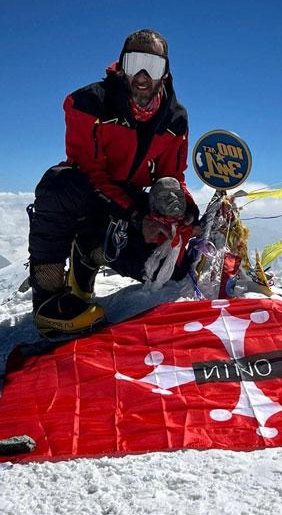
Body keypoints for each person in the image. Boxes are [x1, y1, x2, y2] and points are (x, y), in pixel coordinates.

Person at [28, 29, 199, 339]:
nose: (143, 76)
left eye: (154, 66)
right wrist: (138, 216)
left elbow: (171, 177)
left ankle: (88, 255)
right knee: (59, 186)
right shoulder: (89, 103)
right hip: (89, 195)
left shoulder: (174, 119)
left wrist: (185, 212)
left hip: (128, 201)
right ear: (122, 65)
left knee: (167, 265)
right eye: (136, 63)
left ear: (166, 72)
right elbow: (91, 172)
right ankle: (49, 302)